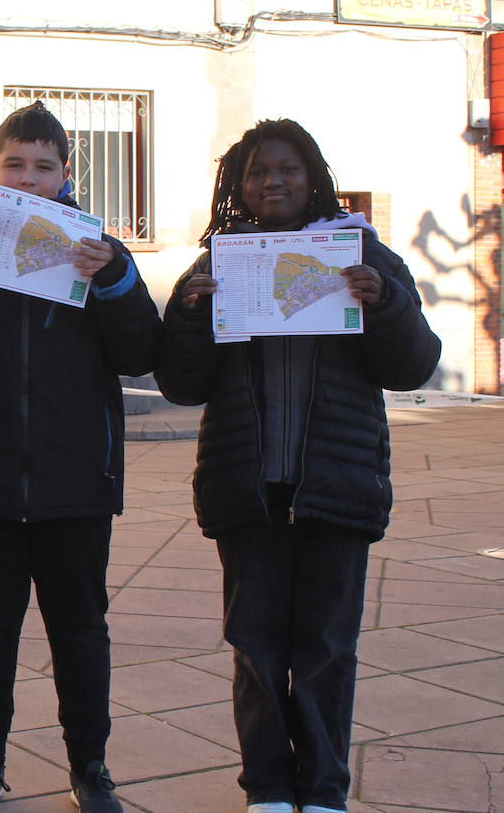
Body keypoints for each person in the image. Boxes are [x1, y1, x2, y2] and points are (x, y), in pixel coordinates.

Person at [153, 119, 440, 813]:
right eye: (257, 172)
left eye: (285, 169)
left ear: (313, 176)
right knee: (255, 649)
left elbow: (414, 365)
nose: (271, 182)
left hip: (335, 487)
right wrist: (190, 315)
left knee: (326, 650)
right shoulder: (219, 260)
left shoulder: (358, 254)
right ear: (238, 185)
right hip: (248, 490)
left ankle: (323, 788)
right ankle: (269, 789)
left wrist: (386, 302)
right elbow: (180, 384)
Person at [0, 102, 160, 813]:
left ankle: (91, 765)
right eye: (16, 164)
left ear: (66, 175)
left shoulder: (98, 251)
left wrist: (113, 282)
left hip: (77, 481)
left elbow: (142, 354)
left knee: (80, 631)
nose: (30, 178)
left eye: (45, 166)